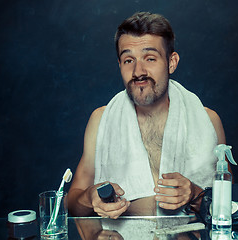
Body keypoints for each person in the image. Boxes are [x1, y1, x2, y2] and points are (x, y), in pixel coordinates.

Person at [68, 12, 226, 218]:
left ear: (171, 62)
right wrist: (90, 197)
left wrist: (196, 195)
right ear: (119, 65)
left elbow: (229, 205)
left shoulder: (209, 121)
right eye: (128, 60)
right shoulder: (101, 121)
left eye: (150, 58)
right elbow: (71, 203)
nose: (138, 71)